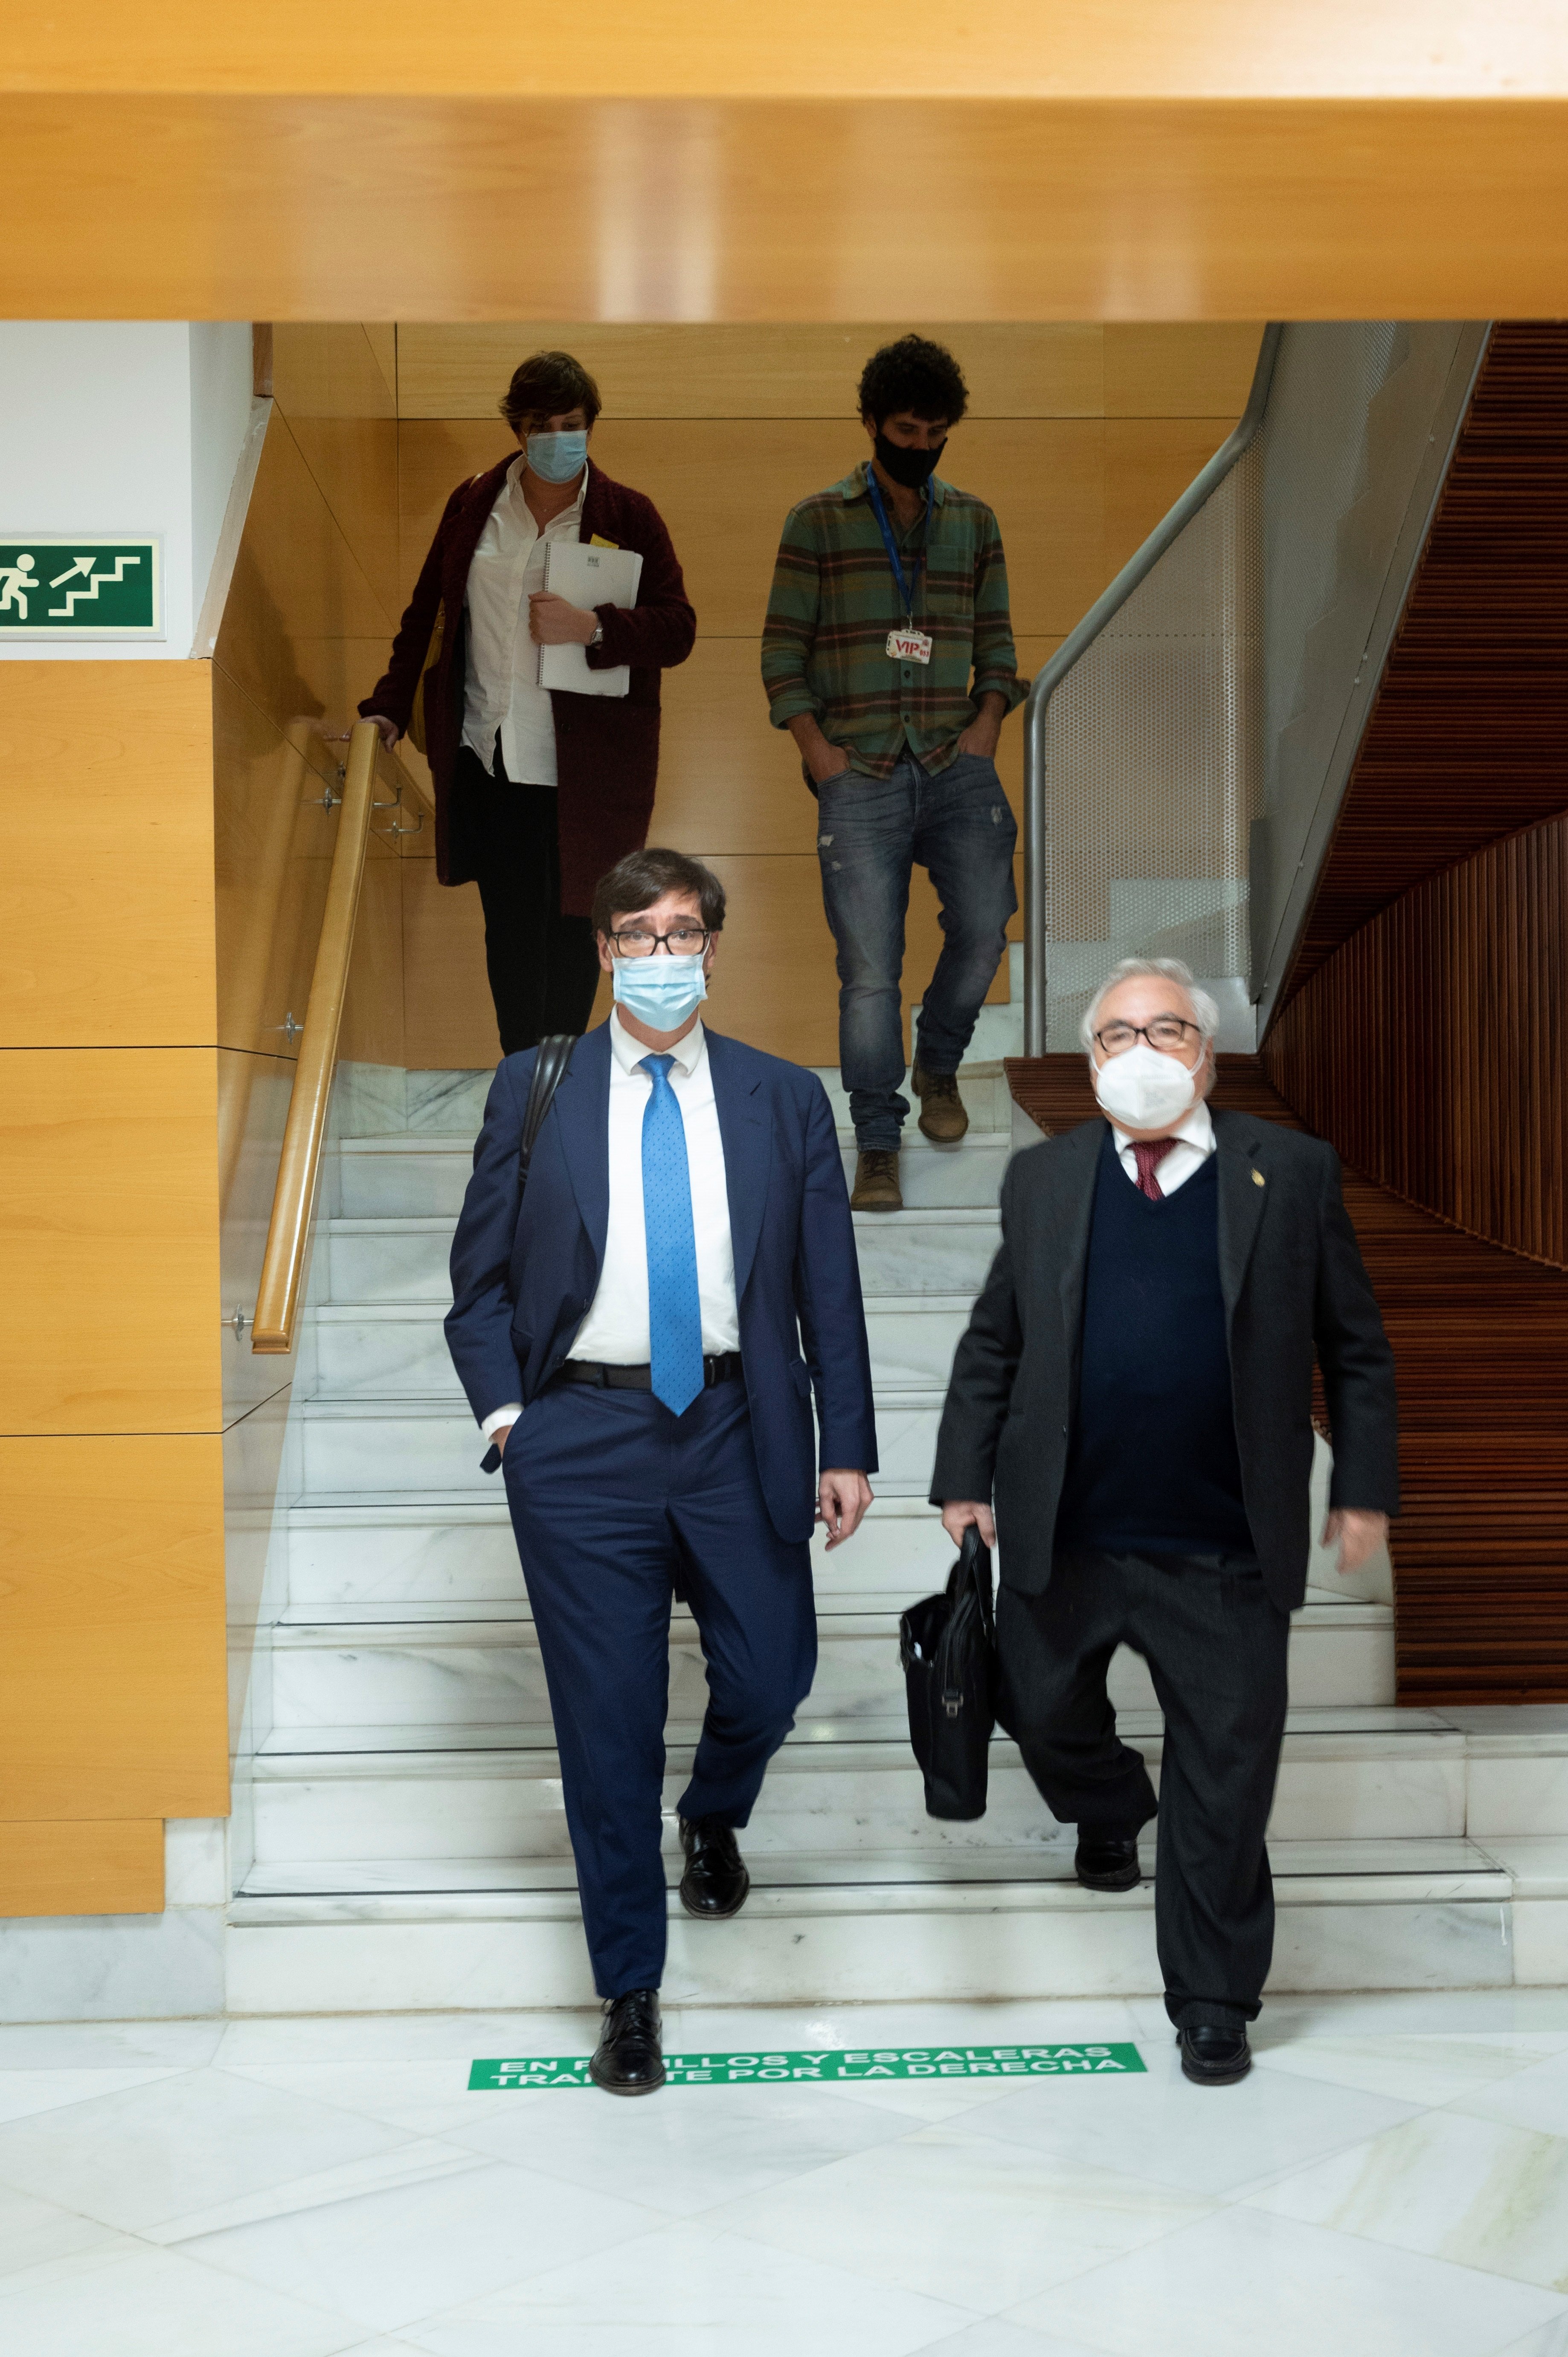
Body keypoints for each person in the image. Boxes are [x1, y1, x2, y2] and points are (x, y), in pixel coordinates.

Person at [445, 846, 877, 2094]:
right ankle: (628, 1989)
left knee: (773, 1667)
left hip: (740, 1425)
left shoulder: (783, 1097)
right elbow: (475, 1286)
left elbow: (826, 1295)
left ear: (713, 947)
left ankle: (714, 1805)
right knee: (606, 1725)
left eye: (683, 931)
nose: (661, 954)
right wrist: (508, 1417)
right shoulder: (536, 1086)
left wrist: (843, 1440)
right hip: (580, 1442)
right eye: (637, 933)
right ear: (603, 950)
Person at [931, 957, 1399, 2087]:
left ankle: (1211, 1999)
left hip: (1224, 1547)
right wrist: (963, 1473)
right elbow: (996, 1338)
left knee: (1226, 1781)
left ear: (1208, 1051)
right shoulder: (1041, 1180)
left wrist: (1363, 1487)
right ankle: (1110, 1804)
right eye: (1115, 1036)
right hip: (1067, 1533)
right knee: (1039, 1714)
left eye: (1166, 1029)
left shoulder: (1286, 1170)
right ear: (1091, 1060)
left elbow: (1356, 1347)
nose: (1139, 1052)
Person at [362, 349, 697, 1055]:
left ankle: (557, 1098)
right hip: (493, 758)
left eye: (571, 424)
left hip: (586, 775)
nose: (556, 439)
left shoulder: (628, 515)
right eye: (540, 424)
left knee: (576, 941)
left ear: (591, 426)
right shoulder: (474, 503)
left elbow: (679, 629)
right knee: (512, 945)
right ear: (517, 428)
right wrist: (388, 705)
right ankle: (528, 1101)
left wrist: (597, 627)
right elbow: (428, 613)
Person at [761, 334, 1026, 1212]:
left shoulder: (974, 522)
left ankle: (938, 1066)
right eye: (905, 428)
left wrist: (987, 724)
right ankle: (877, 1136)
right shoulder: (818, 521)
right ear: (871, 422)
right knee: (869, 971)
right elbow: (780, 656)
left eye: (935, 430)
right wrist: (820, 756)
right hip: (861, 770)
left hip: (956, 761)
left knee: (987, 928)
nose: (919, 445)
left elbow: (996, 645)